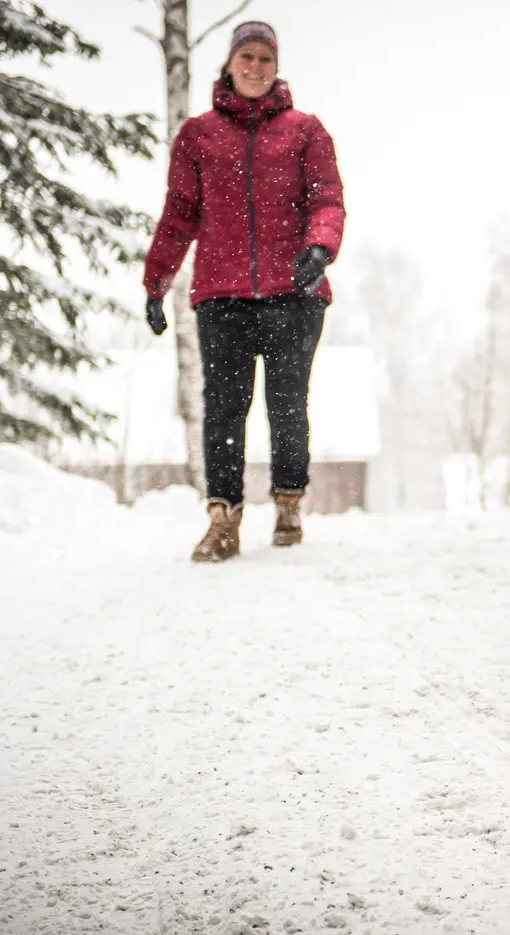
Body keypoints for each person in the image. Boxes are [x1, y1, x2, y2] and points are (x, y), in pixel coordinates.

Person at [143, 20, 345, 563]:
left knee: (287, 404)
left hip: (294, 293)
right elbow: (179, 215)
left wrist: (320, 248)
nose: (256, 67)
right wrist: (156, 284)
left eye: (265, 59)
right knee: (224, 409)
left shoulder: (305, 131)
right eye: (247, 57)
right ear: (230, 63)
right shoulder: (199, 135)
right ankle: (223, 519)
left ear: (276, 67)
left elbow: (327, 200)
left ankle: (288, 504)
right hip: (222, 295)